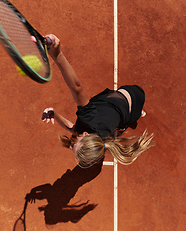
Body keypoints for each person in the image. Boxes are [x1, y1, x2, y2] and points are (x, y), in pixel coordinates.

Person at [42, 34, 154, 168]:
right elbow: (77, 88)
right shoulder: (90, 117)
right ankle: (136, 113)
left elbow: (73, 128)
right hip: (133, 93)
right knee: (124, 115)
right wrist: (57, 54)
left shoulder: (100, 141)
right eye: (75, 145)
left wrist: (55, 114)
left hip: (128, 113)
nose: (71, 147)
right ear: (85, 134)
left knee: (123, 123)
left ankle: (137, 114)